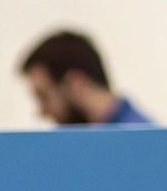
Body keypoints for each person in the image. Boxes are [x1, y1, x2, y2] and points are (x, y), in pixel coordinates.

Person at [16, 30, 153, 126]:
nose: (41, 111)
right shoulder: (68, 150)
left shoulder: (149, 148)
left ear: (76, 83)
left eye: (43, 96)